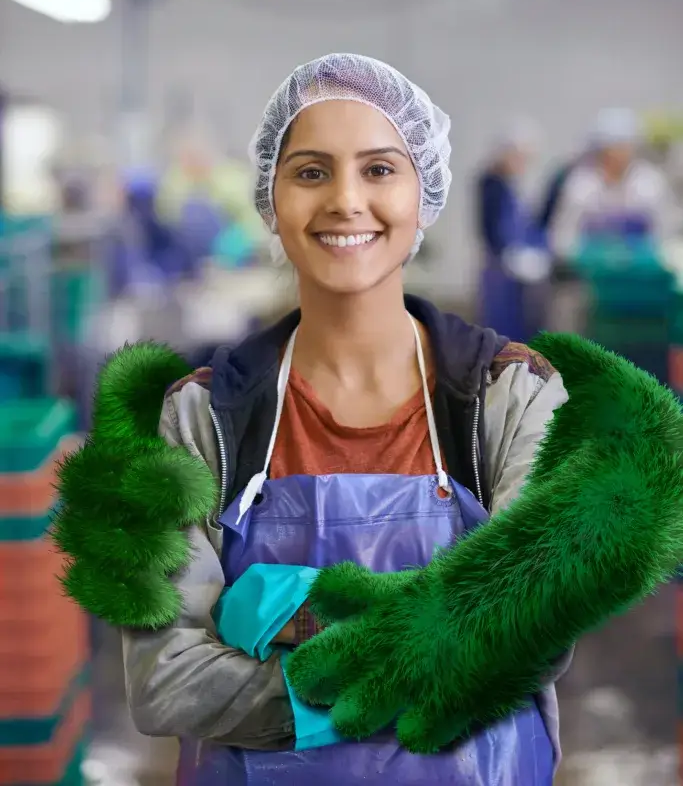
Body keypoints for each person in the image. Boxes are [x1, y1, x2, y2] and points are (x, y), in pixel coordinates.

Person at [54, 55, 683, 786]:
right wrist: (420, 641)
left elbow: (525, 637)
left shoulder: (506, 395)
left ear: (425, 194)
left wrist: (274, 616)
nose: (345, 200)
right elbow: (167, 680)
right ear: (270, 197)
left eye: (380, 170)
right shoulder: (202, 414)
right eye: (311, 171)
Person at [549, 107, 676, 261]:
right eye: (615, 148)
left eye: (626, 146)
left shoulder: (649, 182)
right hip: (592, 271)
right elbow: (563, 236)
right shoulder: (582, 185)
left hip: (641, 269)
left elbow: (666, 232)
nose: (621, 153)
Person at [476, 122, 549, 341]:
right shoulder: (492, 185)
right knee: (502, 332)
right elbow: (492, 231)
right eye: (519, 157)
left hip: (518, 277)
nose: (523, 164)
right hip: (501, 273)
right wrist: (510, 255)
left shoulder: (512, 186)